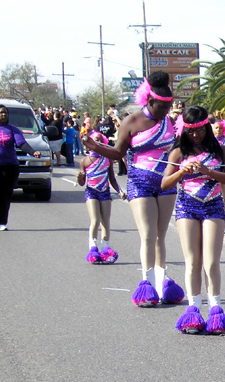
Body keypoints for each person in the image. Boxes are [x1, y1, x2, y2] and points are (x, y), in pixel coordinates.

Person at [81, 70, 185, 308]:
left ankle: (161, 282)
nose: (165, 112)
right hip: (139, 181)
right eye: (161, 107)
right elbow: (118, 154)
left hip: (165, 182)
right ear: (149, 101)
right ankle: (146, 283)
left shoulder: (168, 122)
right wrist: (93, 144)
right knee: (147, 235)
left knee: (161, 236)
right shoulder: (131, 121)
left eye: (169, 107)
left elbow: (177, 149)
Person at [161, 106, 225, 334]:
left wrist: (208, 171)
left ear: (207, 126)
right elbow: (165, 184)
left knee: (211, 262)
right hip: (187, 207)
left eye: (199, 130)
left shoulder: (222, 151)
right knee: (193, 261)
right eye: (191, 131)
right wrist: (181, 172)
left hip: (214, 206)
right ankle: (193, 311)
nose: (195, 135)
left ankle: (215, 311)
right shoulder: (178, 153)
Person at [78, 131, 126, 264]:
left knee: (105, 221)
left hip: (105, 192)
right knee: (95, 220)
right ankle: (93, 248)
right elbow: (82, 183)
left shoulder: (107, 159)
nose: (97, 141)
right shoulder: (85, 161)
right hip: (91, 192)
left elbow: (112, 178)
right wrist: (80, 178)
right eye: (94, 139)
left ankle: (105, 247)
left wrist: (120, 191)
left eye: (99, 139)